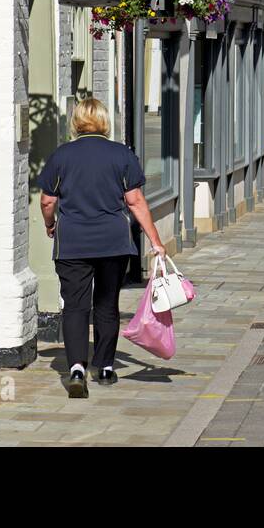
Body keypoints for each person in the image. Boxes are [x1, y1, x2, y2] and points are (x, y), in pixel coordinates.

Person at [38, 97, 165, 398]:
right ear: (105, 122)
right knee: (107, 304)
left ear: (77, 121)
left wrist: (49, 224)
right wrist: (155, 241)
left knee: (76, 306)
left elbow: (47, 200)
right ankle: (106, 366)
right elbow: (135, 202)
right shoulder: (121, 155)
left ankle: (76, 369)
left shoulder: (62, 156)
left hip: (73, 244)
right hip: (113, 243)